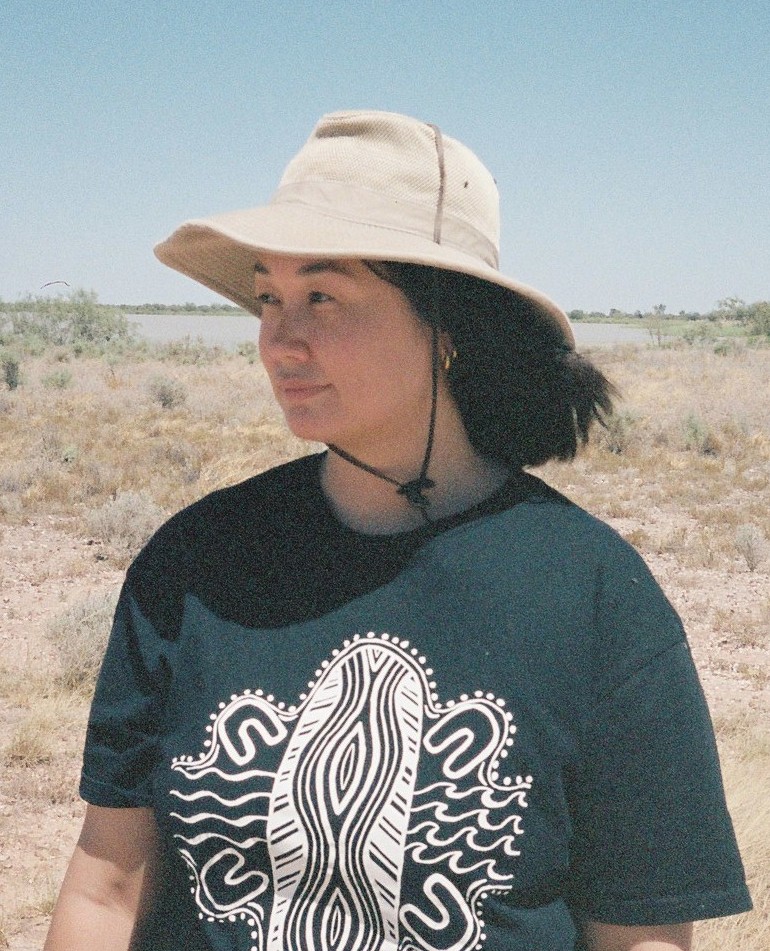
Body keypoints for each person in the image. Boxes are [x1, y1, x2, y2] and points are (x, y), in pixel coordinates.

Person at [45, 110, 751, 951]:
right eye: (269, 297)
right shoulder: (194, 564)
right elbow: (105, 885)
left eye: (322, 296)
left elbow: (642, 938)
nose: (279, 340)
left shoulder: (597, 597)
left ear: (447, 327)